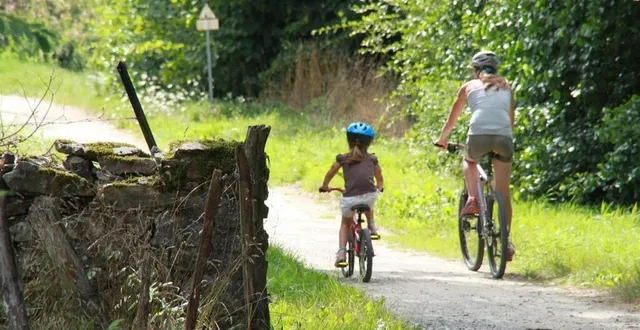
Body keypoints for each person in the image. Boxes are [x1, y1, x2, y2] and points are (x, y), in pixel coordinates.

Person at [435, 51, 516, 261]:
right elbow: (510, 120)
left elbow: (452, 119)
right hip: (504, 138)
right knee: (503, 192)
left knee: (469, 159)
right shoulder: (507, 85)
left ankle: (472, 199)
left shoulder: (469, 86)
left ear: (475, 69)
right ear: (495, 69)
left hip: (478, 135)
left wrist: (443, 139)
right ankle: (505, 240)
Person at [320, 121, 384, 268]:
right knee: (370, 197)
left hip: (349, 199)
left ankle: (342, 253)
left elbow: (331, 172)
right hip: (368, 197)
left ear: (348, 140)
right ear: (369, 142)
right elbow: (379, 177)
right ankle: (372, 226)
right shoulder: (372, 159)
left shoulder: (343, 159)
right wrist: (379, 188)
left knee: (345, 223)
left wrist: (325, 186)